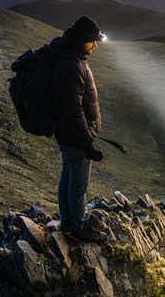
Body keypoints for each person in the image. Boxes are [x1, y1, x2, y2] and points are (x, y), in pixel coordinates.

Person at [51, 15, 106, 241]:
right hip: (75, 137)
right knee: (79, 185)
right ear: (81, 40)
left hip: (67, 134)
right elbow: (74, 111)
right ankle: (77, 226)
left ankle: (67, 221)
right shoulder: (72, 66)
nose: (95, 45)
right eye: (92, 41)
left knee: (69, 176)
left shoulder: (70, 57)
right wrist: (87, 142)